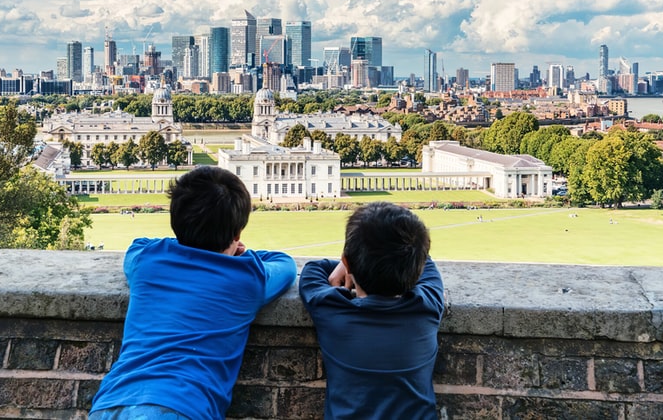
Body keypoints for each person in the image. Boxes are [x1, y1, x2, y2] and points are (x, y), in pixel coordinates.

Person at [90, 166, 297, 420]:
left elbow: (138, 246)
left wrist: (184, 241)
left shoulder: (148, 261)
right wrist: (242, 255)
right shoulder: (246, 277)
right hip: (182, 407)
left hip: (112, 402)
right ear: (237, 234)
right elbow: (286, 266)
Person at [299, 202, 445, 420]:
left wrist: (349, 263)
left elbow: (312, 271)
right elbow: (424, 260)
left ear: (347, 262)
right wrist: (351, 262)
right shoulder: (426, 307)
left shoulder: (331, 310)